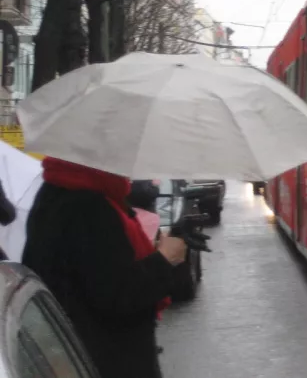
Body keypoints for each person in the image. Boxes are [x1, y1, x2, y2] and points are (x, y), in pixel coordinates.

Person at [22, 157, 187, 378]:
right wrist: (165, 258)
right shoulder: (88, 206)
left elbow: (96, 268)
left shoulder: (60, 190)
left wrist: (153, 253)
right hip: (107, 358)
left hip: (78, 350)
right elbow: (119, 293)